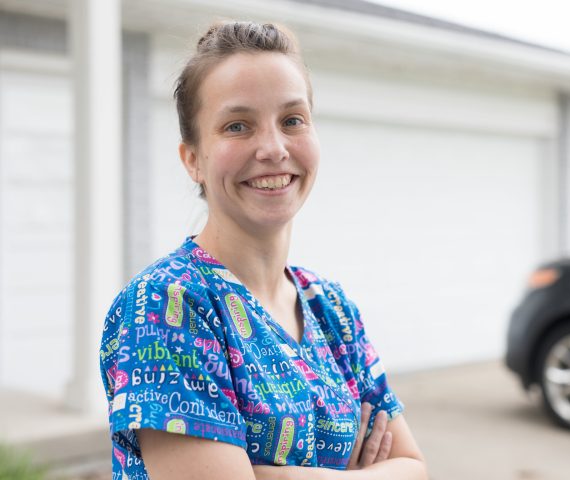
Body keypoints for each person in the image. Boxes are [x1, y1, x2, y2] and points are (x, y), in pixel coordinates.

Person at [100, 20, 428, 480]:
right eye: (238, 126)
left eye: (292, 120)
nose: (273, 148)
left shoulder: (330, 306)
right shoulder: (167, 304)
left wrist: (275, 474)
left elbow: (413, 467)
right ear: (192, 158)